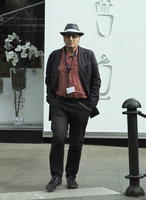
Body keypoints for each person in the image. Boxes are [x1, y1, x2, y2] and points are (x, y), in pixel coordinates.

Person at [45, 23, 101, 192]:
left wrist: (91, 104)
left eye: (74, 36)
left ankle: (71, 176)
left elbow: (96, 80)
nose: (71, 39)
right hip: (60, 104)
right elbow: (49, 79)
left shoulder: (88, 55)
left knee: (76, 143)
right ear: (63, 37)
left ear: (79, 38)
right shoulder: (55, 56)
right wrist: (51, 99)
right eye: (68, 36)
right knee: (58, 138)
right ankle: (55, 176)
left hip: (81, 105)